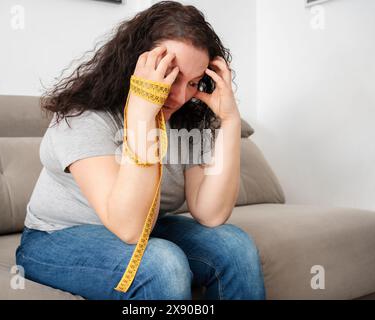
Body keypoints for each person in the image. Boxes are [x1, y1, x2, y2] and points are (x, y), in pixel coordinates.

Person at [15, 0, 266, 300]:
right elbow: (130, 228)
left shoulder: (188, 118)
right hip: (55, 238)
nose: (182, 95)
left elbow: (210, 213)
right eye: (171, 75)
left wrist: (230, 120)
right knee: (161, 264)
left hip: (143, 228)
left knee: (235, 247)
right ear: (138, 63)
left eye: (194, 82)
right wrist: (142, 117)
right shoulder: (84, 116)